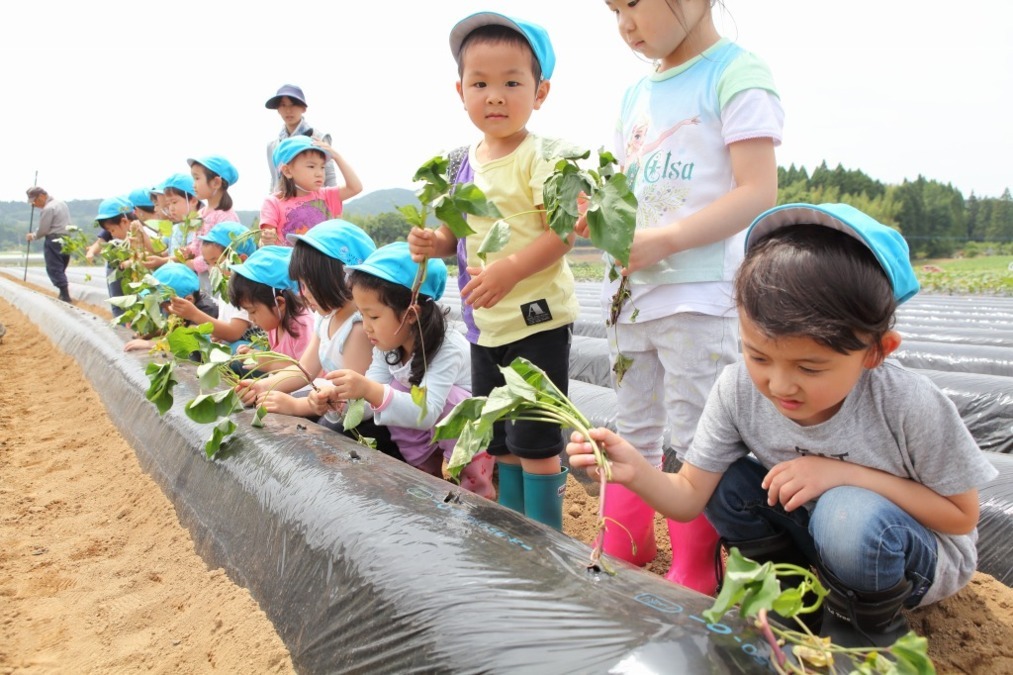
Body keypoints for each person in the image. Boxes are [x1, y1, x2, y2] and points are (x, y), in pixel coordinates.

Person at [567, 203, 998, 647]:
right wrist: (635, 470)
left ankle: (861, 638)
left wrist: (841, 475)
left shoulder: (907, 403)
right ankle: (792, 601)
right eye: (758, 356)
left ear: (877, 351)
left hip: (909, 558)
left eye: (810, 368)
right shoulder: (737, 390)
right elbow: (691, 496)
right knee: (726, 480)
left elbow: (961, 516)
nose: (779, 384)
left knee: (846, 512)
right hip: (818, 539)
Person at [572, 0, 784, 593]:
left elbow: (757, 190)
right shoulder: (635, 95)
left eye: (634, 5)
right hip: (630, 295)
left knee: (698, 434)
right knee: (635, 421)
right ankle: (629, 536)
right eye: (613, 11)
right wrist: (599, 218)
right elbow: (623, 189)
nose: (625, 25)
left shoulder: (734, 74)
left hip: (700, 293)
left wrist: (665, 238)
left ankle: (697, 558)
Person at [408, 12, 577, 528]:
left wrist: (509, 270)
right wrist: (432, 241)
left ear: (540, 91)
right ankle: (514, 530)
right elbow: (454, 236)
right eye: (480, 83)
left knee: (536, 437)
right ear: (460, 91)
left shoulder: (545, 157)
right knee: (501, 435)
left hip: (538, 319)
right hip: (486, 327)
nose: (495, 96)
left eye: (511, 82)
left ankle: (546, 537)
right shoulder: (462, 162)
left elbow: (563, 231)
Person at [311, 242, 495, 499]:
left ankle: (477, 489)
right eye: (362, 316)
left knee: (448, 402)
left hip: (470, 427)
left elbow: (429, 411)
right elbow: (371, 398)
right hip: (427, 424)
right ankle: (425, 472)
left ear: (410, 314)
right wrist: (341, 401)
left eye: (373, 317)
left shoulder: (447, 347)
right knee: (391, 392)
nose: (366, 327)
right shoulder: (388, 346)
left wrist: (370, 390)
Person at [235, 219, 375, 420]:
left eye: (310, 284)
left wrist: (295, 406)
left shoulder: (357, 328)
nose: (304, 293)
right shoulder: (326, 317)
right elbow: (305, 370)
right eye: (301, 283)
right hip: (329, 402)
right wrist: (262, 386)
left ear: (344, 278)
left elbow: (352, 404)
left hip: (357, 417)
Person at [167, 221, 259, 353]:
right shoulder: (225, 290)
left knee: (235, 351)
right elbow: (225, 327)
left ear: (242, 260)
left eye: (216, 262)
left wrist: (194, 314)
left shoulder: (247, 290)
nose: (212, 269)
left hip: (247, 346)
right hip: (233, 343)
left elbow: (233, 332)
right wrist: (217, 335)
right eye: (208, 263)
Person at [259, 135, 362, 246]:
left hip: (323, 262)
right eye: (311, 166)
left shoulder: (326, 196)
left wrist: (337, 157)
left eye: (322, 167)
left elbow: (355, 187)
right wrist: (266, 240)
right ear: (287, 171)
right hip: (289, 262)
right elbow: (264, 241)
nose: (319, 173)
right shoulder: (273, 202)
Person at [227, 245, 314, 368]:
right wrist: (255, 355)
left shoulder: (302, 326)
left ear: (280, 303)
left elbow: (306, 372)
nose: (251, 319)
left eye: (252, 311)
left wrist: (264, 361)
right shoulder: (275, 321)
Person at [123, 262, 215, 352]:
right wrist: (153, 333)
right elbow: (177, 326)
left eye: (165, 306)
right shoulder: (191, 301)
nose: (165, 310)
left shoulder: (206, 309)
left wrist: (150, 344)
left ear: (188, 300)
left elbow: (187, 340)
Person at [265, 84, 339, 192]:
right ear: (278, 109)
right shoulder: (273, 146)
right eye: (283, 105)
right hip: (283, 204)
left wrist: (333, 203)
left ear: (303, 108)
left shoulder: (317, 137)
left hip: (314, 203)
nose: (288, 110)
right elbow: (275, 178)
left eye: (293, 104)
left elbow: (329, 175)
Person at [185, 155, 241, 295]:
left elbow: (223, 255)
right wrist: (188, 251)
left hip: (220, 280)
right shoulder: (201, 213)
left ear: (216, 182)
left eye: (197, 178)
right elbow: (197, 244)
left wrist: (194, 264)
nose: (193, 184)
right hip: (203, 278)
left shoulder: (226, 216)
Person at [25, 186, 73, 303]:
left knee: (54, 267)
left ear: (42, 196)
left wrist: (33, 236)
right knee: (61, 266)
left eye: (35, 201)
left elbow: (43, 230)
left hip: (54, 240)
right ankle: (63, 293)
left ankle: (65, 295)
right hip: (67, 239)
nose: (35, 204)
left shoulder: (48, 208)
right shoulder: (61, 204)